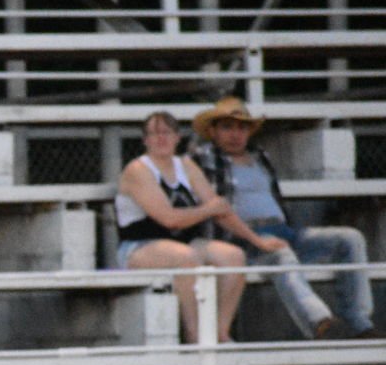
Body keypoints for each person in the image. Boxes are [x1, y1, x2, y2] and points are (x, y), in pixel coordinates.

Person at [189, 97, 381, 341]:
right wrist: (257, 240)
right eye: (227, 127)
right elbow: (212, 206)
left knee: (349, 239)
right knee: (282, 255)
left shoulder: (260, 157)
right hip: (243, 239)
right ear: (213, 131)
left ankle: (360, 323)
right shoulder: (204, 157)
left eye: (241, 127)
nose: (235, 134)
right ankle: (319, 322)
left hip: (284, 231)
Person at [114, 111, 275, 344]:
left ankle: (220, 333)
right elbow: (170, 219)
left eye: (166, 133)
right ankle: (195, 336)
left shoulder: (186, 165)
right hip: (140, 247)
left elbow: (221, 210)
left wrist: (257, 241)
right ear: (145, 140)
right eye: (154, 134)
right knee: (186, 258)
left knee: (234, 256)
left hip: (184, 244)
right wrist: (207, 210)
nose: (161, 139)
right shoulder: (138, 170)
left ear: (177, 138)